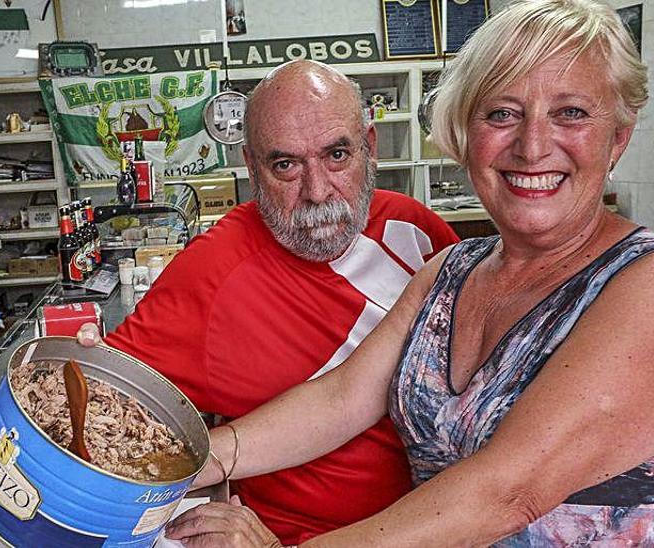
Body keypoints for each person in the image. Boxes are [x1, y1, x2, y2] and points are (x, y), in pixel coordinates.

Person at [159, 1, 654, 546]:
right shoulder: (452, 269)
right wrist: (200, 458)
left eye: (571, 113)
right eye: (503, 114)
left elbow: (509, 493)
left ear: (618, 138)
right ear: (466, 134)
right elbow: (341, 399)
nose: (532, 146)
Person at [80, 60, 461, 544]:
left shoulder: (415, 231)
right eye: (285, 165)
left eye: (337, 155)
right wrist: (81, 365)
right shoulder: (213, 275)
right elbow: (100, 406)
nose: (317, 192)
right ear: (251, 167)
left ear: (369, 147)